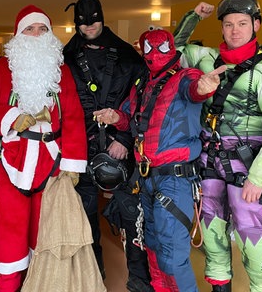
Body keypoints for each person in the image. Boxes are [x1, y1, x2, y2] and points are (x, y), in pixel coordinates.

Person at [175, 0, 262, 292]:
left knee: (252, 237)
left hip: (248, 166)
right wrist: (193, 17)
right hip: (209, 161)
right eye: (228, 24)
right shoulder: (207, 59)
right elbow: (173, 50)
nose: (235, 30)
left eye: (242, 23)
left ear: (256, 25)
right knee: (212, 233)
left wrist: (259, 176)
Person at [94, 28, 222, 291]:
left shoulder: (185, 77)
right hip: (147, 179)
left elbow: (195, 90)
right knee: (151, 249)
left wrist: (203, 88)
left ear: (172, 48)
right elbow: (132, 118)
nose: (155, 54)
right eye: (149, 48)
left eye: (162, 47)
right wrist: (115, 117)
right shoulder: (144, 84)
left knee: (172, 257)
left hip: (174, 180)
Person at [0, 4, 87, 292]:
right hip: (13, 161)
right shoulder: (2, 69)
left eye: (43, 29)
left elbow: (75, 117)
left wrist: (72, 164)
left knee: (46, 232)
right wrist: (12, 118)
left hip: (52, 164)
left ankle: (43, 284)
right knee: (9, 231)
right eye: (30, 29)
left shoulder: (61, 72)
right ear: (18, 35)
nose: (36, 34)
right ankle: (7, 286)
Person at [62, 0, 152, 291]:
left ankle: (139, 280)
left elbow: (141, 103)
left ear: (103, 18)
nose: (89, 27)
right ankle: (93, 276)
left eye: (94, 21)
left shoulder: (128, 56)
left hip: (121, 146)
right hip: (80, 148)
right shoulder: (66, 57)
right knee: (85, 217)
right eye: (82, 23)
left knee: (131, 215)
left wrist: (125, 138)